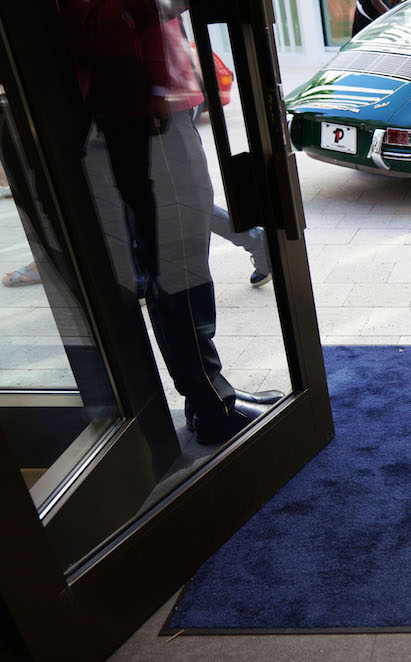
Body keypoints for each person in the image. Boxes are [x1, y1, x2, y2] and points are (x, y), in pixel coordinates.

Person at [63, 1, 281, 444]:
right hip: (140, 114)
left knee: (176, 262)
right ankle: (212, 405)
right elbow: (97, 28)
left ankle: (207, 398)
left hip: (149, 108)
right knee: (178, 266)